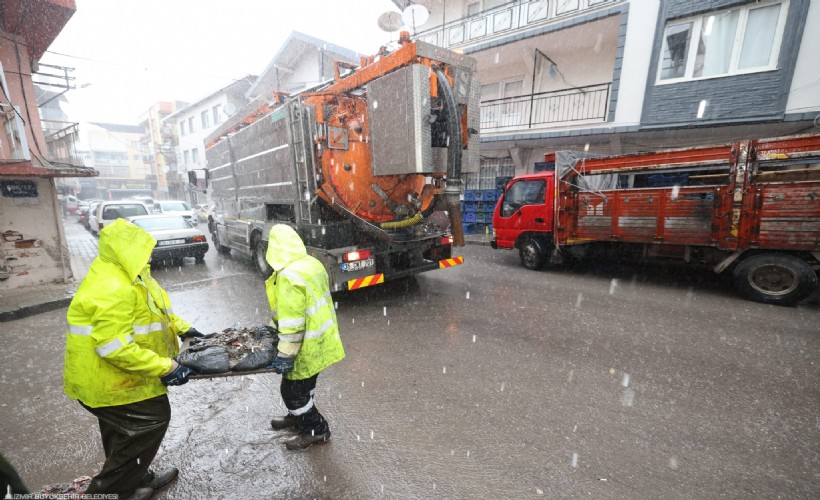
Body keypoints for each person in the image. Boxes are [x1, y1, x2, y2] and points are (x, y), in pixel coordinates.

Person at [63, 218, 205, 500]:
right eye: (142, 249)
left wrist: (183, 327)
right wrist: (167, 367)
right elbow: (114, 348)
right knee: (150, 421)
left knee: (124, 432)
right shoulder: (113, 287)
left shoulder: (134, 274)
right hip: (110, 380)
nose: (148, 254)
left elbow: (156, 311)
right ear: (125, 251)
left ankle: (135, 476)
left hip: (122, 376)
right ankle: (111, 492)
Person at [263, 224, 345, 450]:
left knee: (292, 392)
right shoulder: (311, 264)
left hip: (304, 346)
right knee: (306, 385)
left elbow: (293, 322)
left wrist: (286, 354)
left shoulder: (289, 276)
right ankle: (298, 417)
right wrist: (272, 327)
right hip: (321, 339)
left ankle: (316, 430)